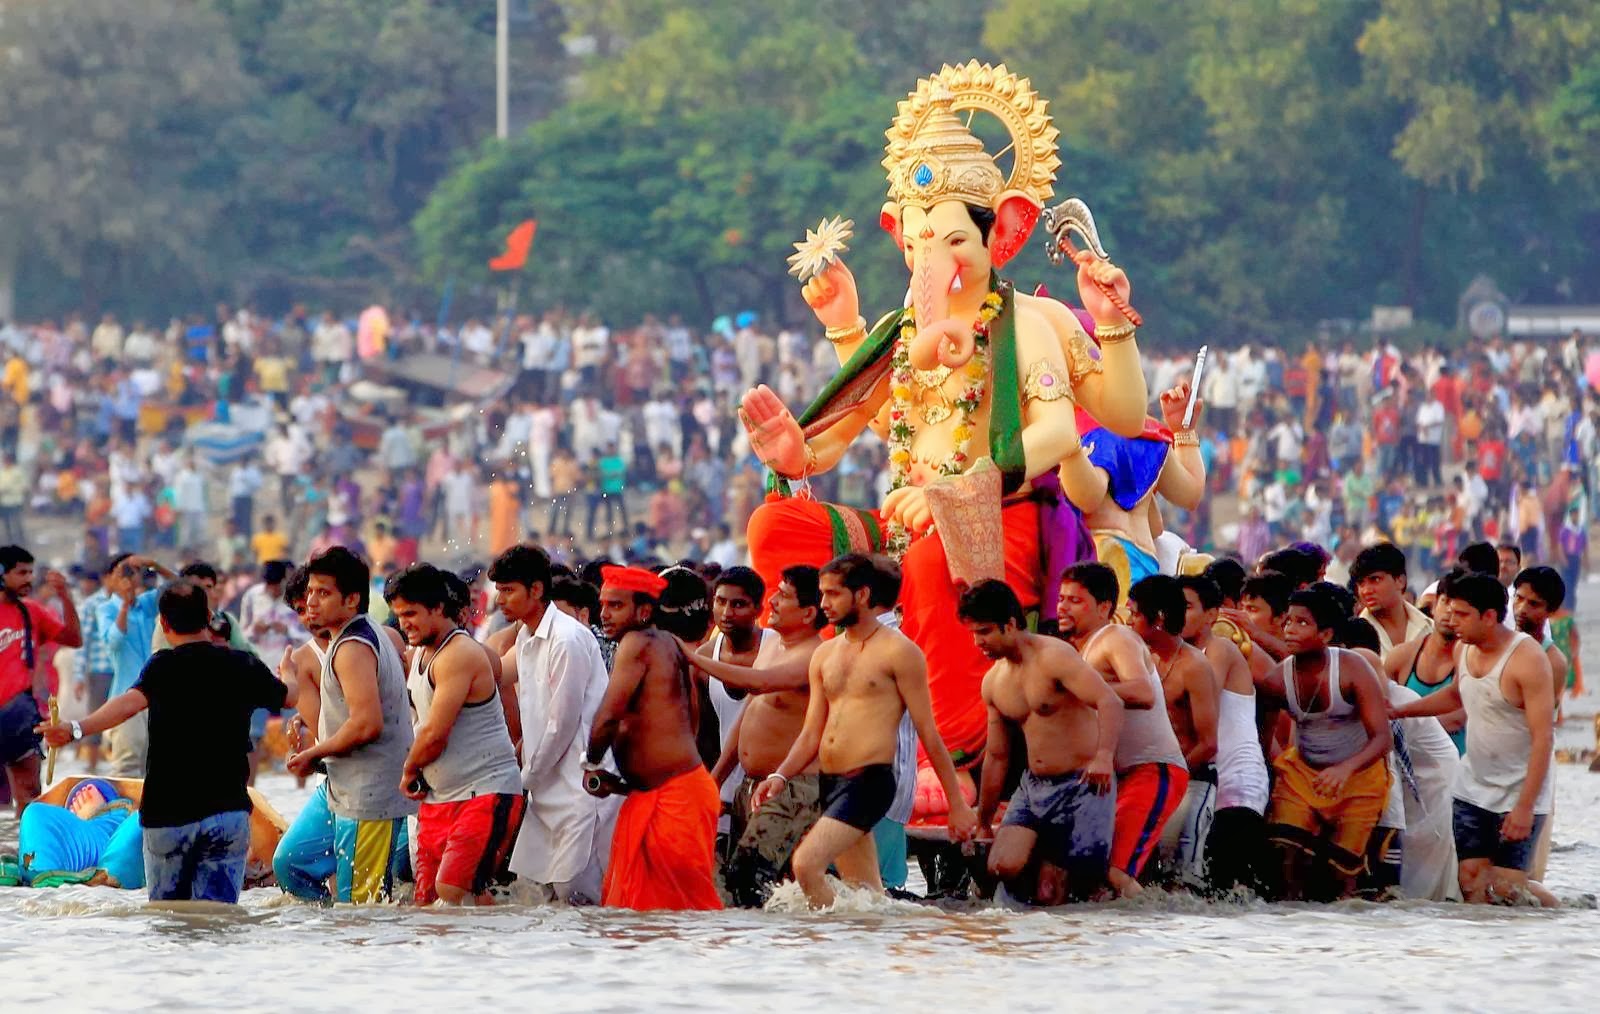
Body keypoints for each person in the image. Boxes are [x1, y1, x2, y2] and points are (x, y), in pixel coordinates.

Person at [37, 579, 290, 902]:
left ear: (164, 623)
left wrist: (74, 729)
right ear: (209, 616)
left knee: (168, 917)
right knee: (220, 919)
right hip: (227, 814)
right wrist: (292, 671)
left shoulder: (161, 667)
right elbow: (288, 697)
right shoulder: (242, 664)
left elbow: (126, 704)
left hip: (168, 816)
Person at [750, 554, 978, 909]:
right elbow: (811, 732)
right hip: (831, 781)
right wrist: (780, 775)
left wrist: (958, 806)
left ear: (862, 594)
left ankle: (824, 945)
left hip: (869, 782)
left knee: (806, 866)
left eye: (833, 594)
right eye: (822, 594)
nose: (824, 603)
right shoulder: (824, 655)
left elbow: (929, 733)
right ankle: (871, 952)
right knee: (865, 898)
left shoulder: (899, 651)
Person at [1392, 572, 1555, 905]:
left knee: (1506, 891)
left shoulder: (1529, 659)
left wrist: (1524, 808)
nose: (1453, 622)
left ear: (1490, 616)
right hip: (1473, 787)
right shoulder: (1463, 650)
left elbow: (1544, 738)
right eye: (1450, 611)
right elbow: (1456, 695)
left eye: (1463, 615)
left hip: (1520, 789)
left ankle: (1555, 918)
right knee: (1471, 883)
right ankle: (1474, 956)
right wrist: (1399, 711)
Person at [961, 579, 1123, 904]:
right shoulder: (993, 681)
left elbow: (1110, 702)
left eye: (985, 632)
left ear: (1010, 624)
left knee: (1061, 892)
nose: (978, 641)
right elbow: (997, 755)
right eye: (974, 633)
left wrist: (1104, 757)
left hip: (1084, 784)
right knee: (1001, 866)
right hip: (1033, 788)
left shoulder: (1055, 656)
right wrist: (982, 822)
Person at [274, 547, 416, 904]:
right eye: (309, 593)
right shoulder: (355, 636)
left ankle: (358, 950)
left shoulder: (353, 645)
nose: (311, 602)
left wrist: (313, 753)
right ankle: (327, 938)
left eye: (323, 593)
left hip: (369, 794)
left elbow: (367, 724)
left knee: (361, 911)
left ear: (352, 599)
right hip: (342, 783)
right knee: (291, 862)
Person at [683, 564, 826, 908]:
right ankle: (762, 954)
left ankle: (777, 953)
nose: (772, 601)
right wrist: (715, 779)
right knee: (758, 884)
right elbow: (747, 717)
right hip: (754, 784)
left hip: (793, 785)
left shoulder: (814, 653)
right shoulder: (776, 647)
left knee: (749, 875)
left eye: (783, 596)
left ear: (808, 613)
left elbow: (758, 683)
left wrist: (689, 653)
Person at [584, 565, 722, 910]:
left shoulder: (638, 642)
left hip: (677, 798)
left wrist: (590, 761)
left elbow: (608, 717)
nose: (604, 614)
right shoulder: (664, 643)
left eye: (616, 605)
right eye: (603, 605)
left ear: (644, 611)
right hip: (657, 795)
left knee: (685, 917)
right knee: (648, 923)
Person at [387, 564, 524, 906]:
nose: (405, 624)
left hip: (485, 793)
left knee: (455, 895)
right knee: (426, 901)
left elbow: (434, 733)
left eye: (411, 614)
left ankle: (513, 953)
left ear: (437, 608)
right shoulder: (418, 653)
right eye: (399, 616)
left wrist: (407, 771)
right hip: (439, 798)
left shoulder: (459, 653)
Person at [493, 544, 612, 904]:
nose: (500, 600)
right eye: (498, 591)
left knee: (579, 896)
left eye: (509, 590)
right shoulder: (527, 635)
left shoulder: (567, 638)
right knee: (541, 893)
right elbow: (494, 671)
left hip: (581, 786)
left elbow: (561, 725)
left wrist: (525, 777)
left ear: (537, 590)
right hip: (547, 785)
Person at [1057, 563, 1184, 897]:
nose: (1062, 607)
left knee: (1115, 874)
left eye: (1075, 600)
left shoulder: (1116, 637)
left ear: (1103, 607)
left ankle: (1159, 938)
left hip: (1155, 770)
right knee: (1092, 875)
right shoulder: (1078, 651)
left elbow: (1141, 692)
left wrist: (1086, 692)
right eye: (1061, 598)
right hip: (1114, 777)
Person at [1260, 587, 1393, 901]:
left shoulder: (1352, 669)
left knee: (1339, 878)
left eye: (1302, 623)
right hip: (1302, 774)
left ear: (1326, 634)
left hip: (1360, 777)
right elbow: (1264, 741)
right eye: (1288, 622)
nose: (1290, 630)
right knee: (1285, 859)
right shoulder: (1276, 680)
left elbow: (1382, 738)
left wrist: (1345, 769)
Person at [1176, 574, 1269, 895]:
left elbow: (1197, 699)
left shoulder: (1221, 649)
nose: (1176, 612)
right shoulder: (1177, 655)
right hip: (1200, 785)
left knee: (1229, 893)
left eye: (1186, 606)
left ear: (1212, 614)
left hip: (1238, 784)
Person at [1129, 575, 1218, 889]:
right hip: (1146, 782)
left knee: (1181, 884)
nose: (1127, 622)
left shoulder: (1194, 666)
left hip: (1191, 781)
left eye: (1134, 614)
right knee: (1139, 878)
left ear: (1159, 618)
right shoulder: (1136, 660)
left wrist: (1170, 779)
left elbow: (1208, 743)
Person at [1, 546, 83, 813]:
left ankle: (25, 854)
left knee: (31, 799)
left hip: (21, 716)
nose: (29, 579)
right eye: (21, 572)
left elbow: (73, 639)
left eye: (31, 572)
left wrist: (65, 597)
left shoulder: (32, 612)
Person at [694, 566, 771, 848]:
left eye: (738, 604)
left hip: (772, 787)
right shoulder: (704, 659)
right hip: (724, 790)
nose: (726, 612)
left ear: (758, 609)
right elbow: (703, 733)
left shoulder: (778, 649)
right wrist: (708, 786)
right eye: (720, 601)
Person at [1383, 586, 1466, 755]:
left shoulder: (1472, 660)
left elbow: (1458, 718)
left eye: (1459, 609)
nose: (1450, 612)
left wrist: (1406, 723)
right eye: (1445, 602)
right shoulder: (1401, 656)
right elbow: (1383, 708)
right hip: (1408, 766)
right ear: (1434, 606)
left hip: (1458, 767)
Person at [1353, 542, 1431, 654]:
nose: (1366, 591)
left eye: (1375, 580)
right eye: (1361, 583)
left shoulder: (1429, 628)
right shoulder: (1353, 637)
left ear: (1400, 581)